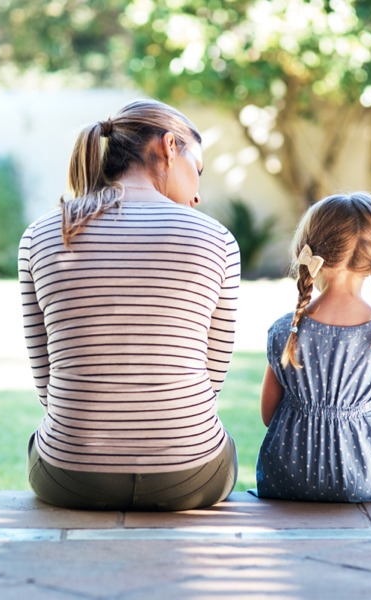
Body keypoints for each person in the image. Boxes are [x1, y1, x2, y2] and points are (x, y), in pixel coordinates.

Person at [18, 99, 240, 511]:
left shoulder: (42, 234)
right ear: (170, 146)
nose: (197, 194)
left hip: (71, 477)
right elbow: (211, 381)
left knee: (41, 440)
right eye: (199, 170)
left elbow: (47, 382)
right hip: (190, 477)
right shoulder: (217, 240)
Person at [255, 192, 371, 503]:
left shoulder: (284, 331)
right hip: (368, 479)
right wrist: (364, 410)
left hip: (290, 478)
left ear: (308, 252)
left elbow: (269, 415)